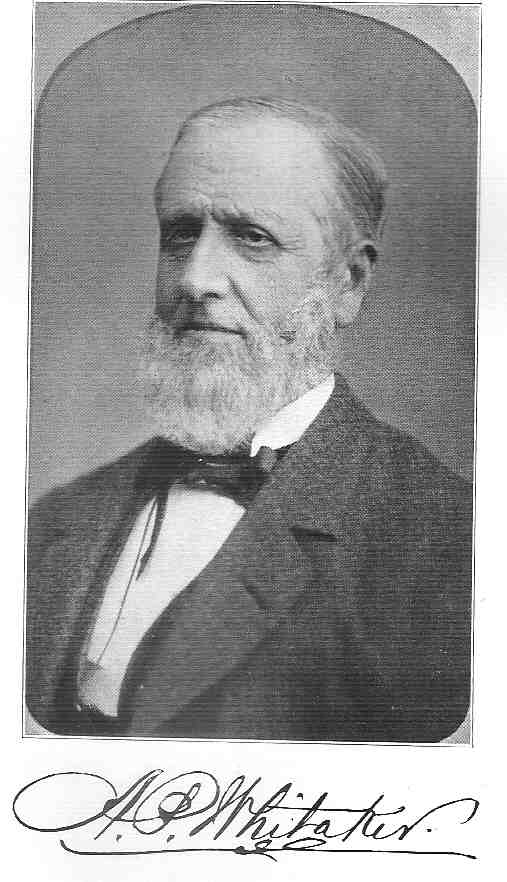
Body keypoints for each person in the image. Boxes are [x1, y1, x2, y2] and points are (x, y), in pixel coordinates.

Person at [26, 96, 472, 742]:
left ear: (347, 283)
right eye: (181, 233)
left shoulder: (448, 543)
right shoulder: (56, 520)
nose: (195, 279)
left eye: (252, 238)